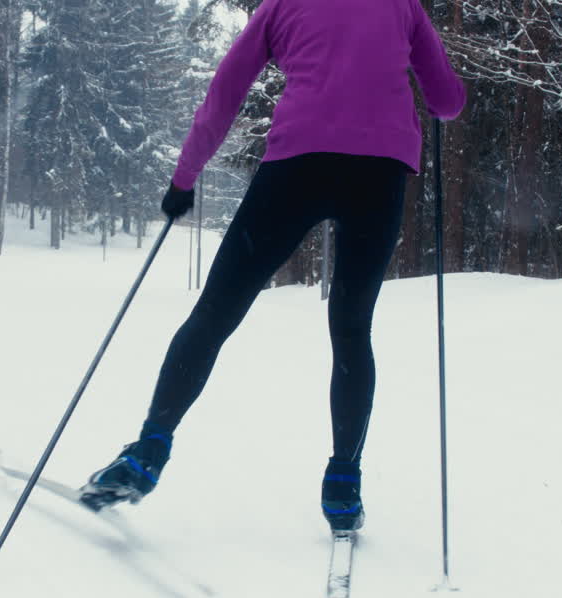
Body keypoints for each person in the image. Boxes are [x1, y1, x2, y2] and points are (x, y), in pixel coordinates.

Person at [79, 0, 466, 532]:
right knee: (352, 328)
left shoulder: (282, 4)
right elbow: (447, 101)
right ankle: (343, 486)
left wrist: (184, 178)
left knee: (215, 312)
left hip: (297, 166)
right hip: (379, 175)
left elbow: (226, 92)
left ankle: (148, 452)